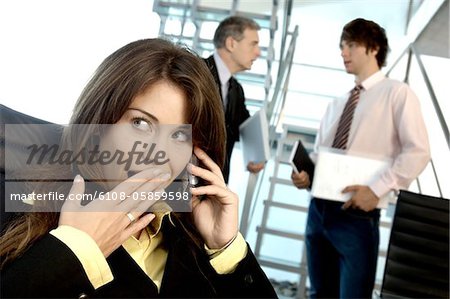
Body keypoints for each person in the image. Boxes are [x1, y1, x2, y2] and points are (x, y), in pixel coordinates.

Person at [0, 38, 277, 298]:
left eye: (179, 135)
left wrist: (227, 248)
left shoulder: (187, 233)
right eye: (141, 124)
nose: (158, 153)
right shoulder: (20, 207)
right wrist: (72, 253)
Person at [291, 18, 430, 298]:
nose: (343, 52)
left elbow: (418, 151)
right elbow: (322, 154)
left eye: (351, 45)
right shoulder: (336, 104)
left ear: (374, 48)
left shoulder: (397, 94)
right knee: (320, 294)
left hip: (357, 214)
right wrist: (306, 175)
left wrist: (378, 189)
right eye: (342, 46)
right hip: (318, 211)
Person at [204, 16, 265, 184]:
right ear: (231, 43)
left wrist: (255, 157)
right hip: (181, 185)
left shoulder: (236, 90)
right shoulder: (195, 73)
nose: (258, 52)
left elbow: (244, 128)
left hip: (214, 185)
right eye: (253, 44)